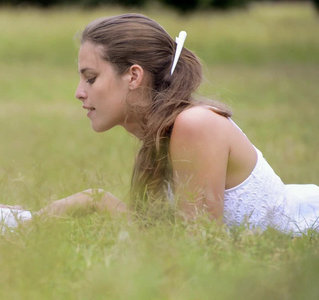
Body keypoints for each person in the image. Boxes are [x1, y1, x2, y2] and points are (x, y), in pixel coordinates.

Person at [71, 13, 319, 234]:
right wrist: (93, 200)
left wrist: (101, 202)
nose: (79, 93)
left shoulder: (195, 124)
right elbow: (155, 238)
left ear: (133, 76)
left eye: (91, 78)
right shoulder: (158, 138)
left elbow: (200, 244)